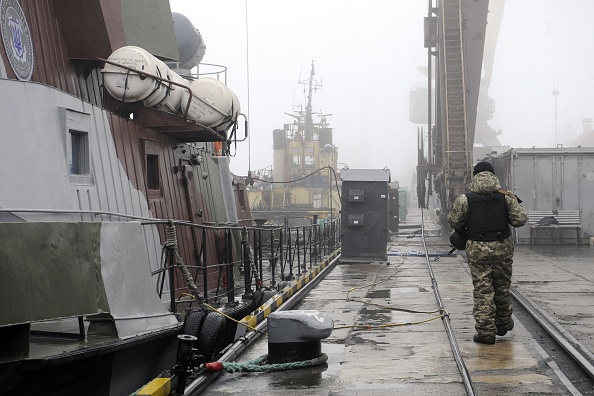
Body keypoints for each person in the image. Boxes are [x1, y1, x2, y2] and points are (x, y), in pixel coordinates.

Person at [447, 161, 528, 344]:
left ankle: (485, 332)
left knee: (483, 290)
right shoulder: (506, 197)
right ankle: (503, 323)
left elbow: (453, 222)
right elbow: (520, 219)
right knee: (502, 288)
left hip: (477, 250)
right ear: (493, 175)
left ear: (475, 175)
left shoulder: (465, 199)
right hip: (502, 249)